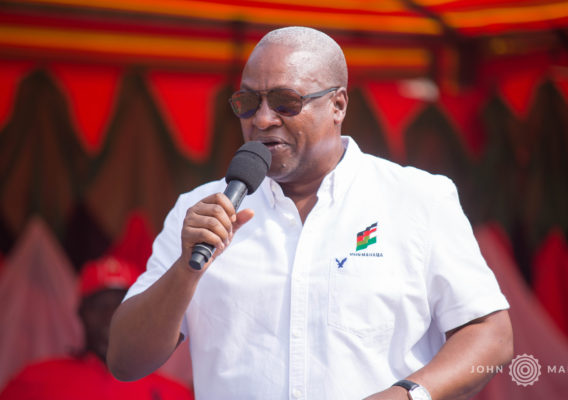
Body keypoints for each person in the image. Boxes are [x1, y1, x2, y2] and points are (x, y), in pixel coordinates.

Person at [107, 26, 513, 400]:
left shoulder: (417, 199)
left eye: (286, 102)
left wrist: (409, 394)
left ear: (337, 105)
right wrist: (185, 270)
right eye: (248, 103)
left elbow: (491, 334)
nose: (263, 119)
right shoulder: (200, 211)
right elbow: (125, 361)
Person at [0, 256, 193, 400]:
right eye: (99, 306)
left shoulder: (174, 394)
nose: (110, 317)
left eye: (122, 305)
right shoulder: (34, 381)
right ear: (80, 312)